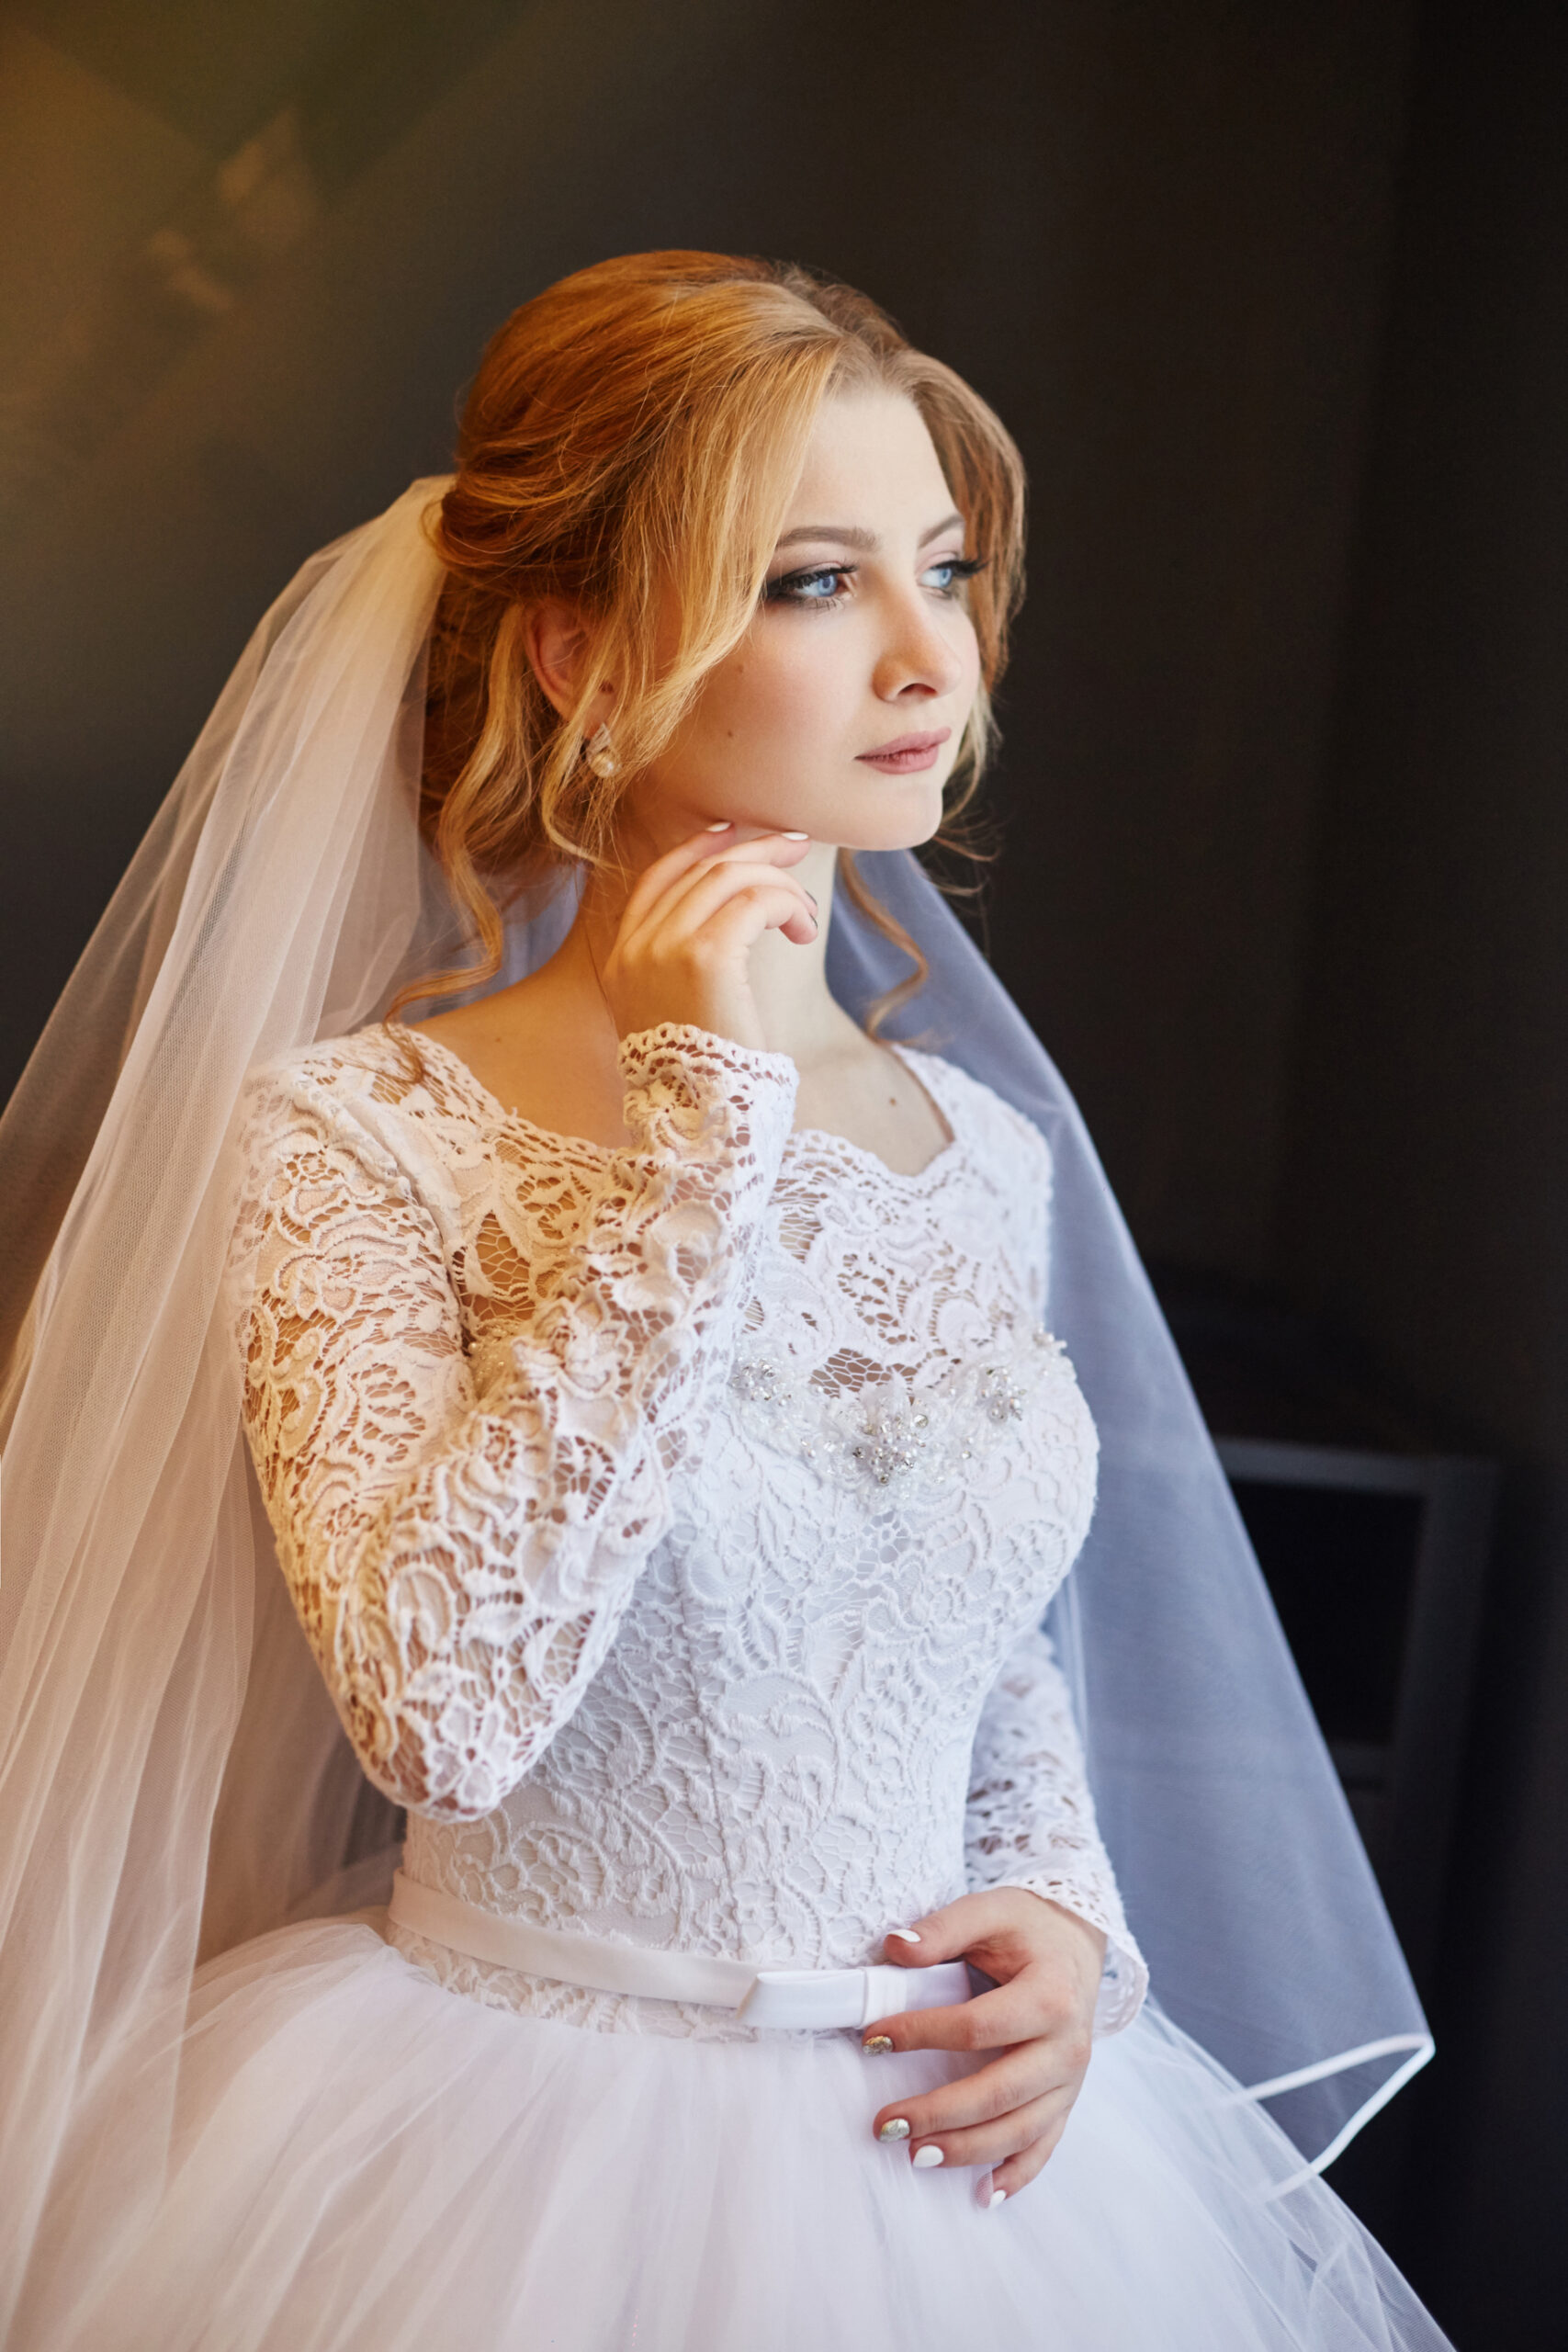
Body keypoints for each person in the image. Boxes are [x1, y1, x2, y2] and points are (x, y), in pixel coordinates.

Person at [0, 252, 1449, 2348]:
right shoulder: (359, 1129)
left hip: (959, 2187)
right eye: (808, 582)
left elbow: (979, 1626)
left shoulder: (982, 1145)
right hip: (494, 2171)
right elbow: (440, 1706)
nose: (921, 652)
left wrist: (1060, 1912)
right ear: (580, 649)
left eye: (941, 571)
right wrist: (699, 1138)